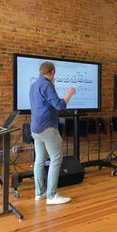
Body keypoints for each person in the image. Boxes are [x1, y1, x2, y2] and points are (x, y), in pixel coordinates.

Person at [29, 61, 76, 205]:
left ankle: (40, 193)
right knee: (56, 159)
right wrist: (69, 93)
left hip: (35, 128)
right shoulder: (47, 85)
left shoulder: (34, 85)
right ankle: (52, 195)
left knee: (39, 160)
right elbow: (59, 105)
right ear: (52, 73)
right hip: (48, 128)